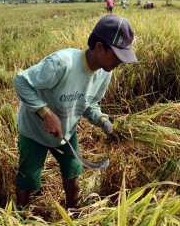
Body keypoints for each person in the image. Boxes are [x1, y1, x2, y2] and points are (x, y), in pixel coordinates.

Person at [13, 15, 138, 210]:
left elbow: (90, 104)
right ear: (99, 47)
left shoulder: (106, 72)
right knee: (28, 179)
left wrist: (105, 122)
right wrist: (45, 113)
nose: (120, 62)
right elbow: (20, 81)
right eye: (117, 55)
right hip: (34, 131)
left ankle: (73, 214)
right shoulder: (62, 63)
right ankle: (21, 219)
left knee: (73, 175)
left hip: (66, 131)